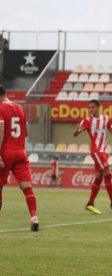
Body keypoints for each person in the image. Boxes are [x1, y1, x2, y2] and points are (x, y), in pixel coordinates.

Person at [73, 99, 112, 215]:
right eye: (89, 108)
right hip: (96, 151)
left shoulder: (105, 119)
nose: (90, 110)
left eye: (92, 107)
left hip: (104, 151)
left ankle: (90, 204)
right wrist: (76, 131)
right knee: (108, 172)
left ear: (98, 107)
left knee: (99, 176)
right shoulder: (87, 121)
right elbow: (76, 133)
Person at [0, 85, 39, 231]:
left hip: (6, 153)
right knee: (27, 187)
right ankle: (34, 218)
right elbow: (26, 132)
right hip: (21, 152)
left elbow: (1, 131)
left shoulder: (0, 109)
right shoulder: (20, 108)